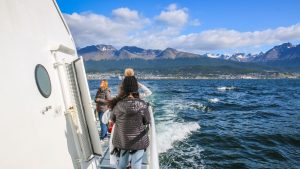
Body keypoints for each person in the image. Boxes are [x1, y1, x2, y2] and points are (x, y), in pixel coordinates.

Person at [109, 76, 151, 169]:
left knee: (122, 163)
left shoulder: (118, 104)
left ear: (123, 88)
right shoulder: (142, 104)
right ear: (136, 88)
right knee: (136, 165)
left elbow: (113, 119)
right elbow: (147, 121)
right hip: (138, 140)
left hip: (123, 140)